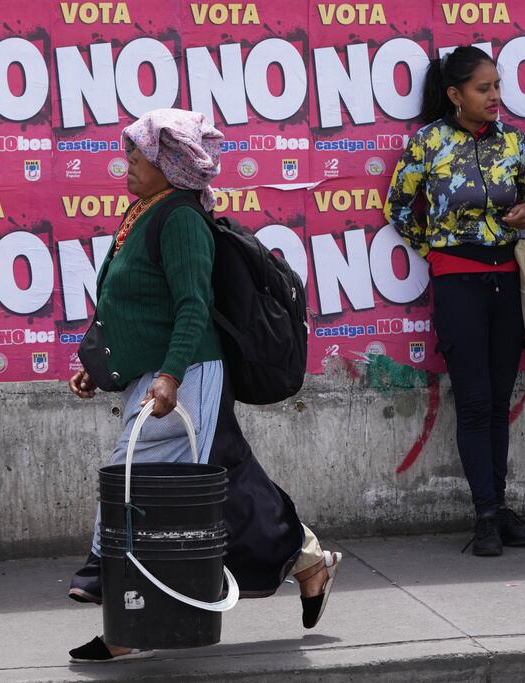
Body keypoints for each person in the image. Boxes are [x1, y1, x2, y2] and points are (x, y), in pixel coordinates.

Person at [66, 108, 341, 663]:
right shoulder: (145, 211)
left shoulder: (182, 221)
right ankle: (309, 560)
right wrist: (98, 366)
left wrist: (170, 377)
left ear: (168, 166)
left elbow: (193, 307)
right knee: (227, 486)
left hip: (187, 372)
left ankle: (102, 568)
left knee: (130, 474)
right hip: (163, 371)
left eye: (137, 158)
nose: (127, 167)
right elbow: (136, 301)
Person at [384, 46, 525, 557]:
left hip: (507, 283)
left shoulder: (515, 143)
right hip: (458, 286)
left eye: (498, 86)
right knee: (475, 402)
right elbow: (397, 207)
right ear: (455, 95)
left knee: (499, 402)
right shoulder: (428, 143)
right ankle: (485, 517)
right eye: (484, 88)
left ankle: (497, 508)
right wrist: (436, 249)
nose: (496, 97)